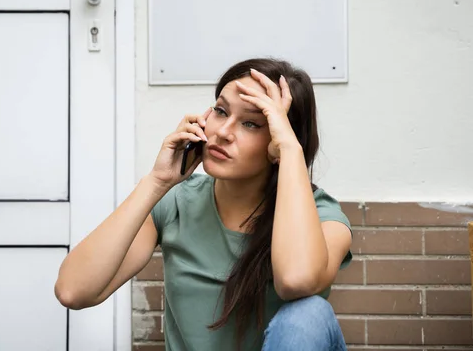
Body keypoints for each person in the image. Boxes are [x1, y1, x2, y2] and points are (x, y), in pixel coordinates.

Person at [55, 58, 353, 351]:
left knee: (309, 315)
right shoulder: (177, 203)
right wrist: (157, 182)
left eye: (251, 123)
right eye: (221, 111)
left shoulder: (322, 214)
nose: (222, 132)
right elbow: (73, 290)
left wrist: (289, 150)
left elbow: (295, 281)